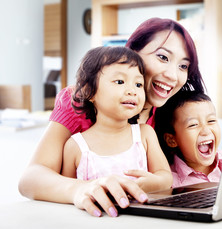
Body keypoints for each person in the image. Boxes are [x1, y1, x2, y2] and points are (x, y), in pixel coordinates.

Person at [18, 18, 205, 217]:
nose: (173, 76)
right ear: (132, 52)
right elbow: (30, 179)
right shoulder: (80, 101)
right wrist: (81, 189)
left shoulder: (166, 113)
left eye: (183, 66)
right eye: (163, 57)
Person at [61, 46, 172, 217]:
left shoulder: (145, 134)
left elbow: (166, 178)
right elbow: (67, 196)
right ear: (88, 91)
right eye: (120, 82)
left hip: (142, 222)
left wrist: (151, 184)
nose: (132, 90)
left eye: (138, 84)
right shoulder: (75, 146)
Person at [155, 90, 222, 188]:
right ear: (172, 140)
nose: (206, 131)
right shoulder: (169, 182)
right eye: (193, 125)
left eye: (211, 120)